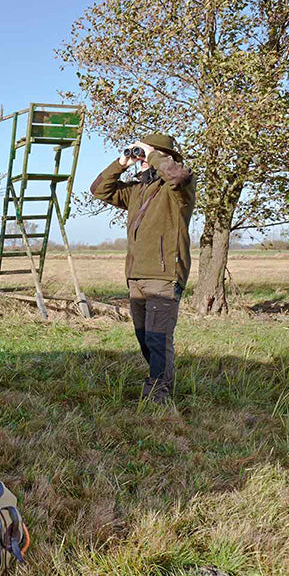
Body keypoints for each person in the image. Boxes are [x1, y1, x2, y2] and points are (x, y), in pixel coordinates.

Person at [90, 133, 195, 403]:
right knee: (145, 338)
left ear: (163, 158)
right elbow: (99, 190)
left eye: (144, 156)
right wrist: (121, 163)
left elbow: (178, 176)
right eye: (140, 156)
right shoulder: (136, 190)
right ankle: (159, 382)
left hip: (163, 275)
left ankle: (158, 395)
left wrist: (153, 154)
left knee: (159, 338)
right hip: (136, 276)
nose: (141, 161)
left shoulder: (178, 191)